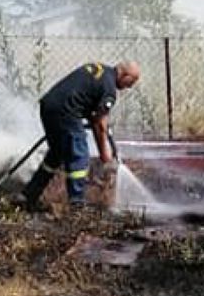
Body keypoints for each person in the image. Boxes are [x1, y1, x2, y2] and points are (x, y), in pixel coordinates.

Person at [19, 61, 141, 211]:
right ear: (124, 74)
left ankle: (29, 195)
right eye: (132, 81)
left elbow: (93, 114)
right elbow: (100, 124)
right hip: (67, 112)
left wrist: (98, 124)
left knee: (56, 155)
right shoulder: (109, 89)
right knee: (80, 157)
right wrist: (105, 154)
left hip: (49, 106)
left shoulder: (100, 71)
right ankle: (77, 204)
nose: (131, 86)